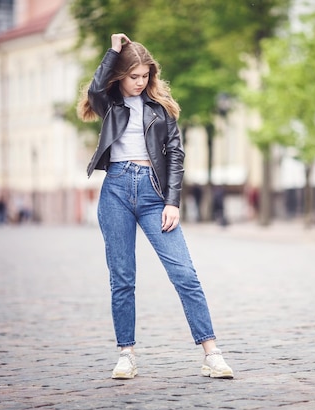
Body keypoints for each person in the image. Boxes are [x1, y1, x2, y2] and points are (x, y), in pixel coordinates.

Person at [77, 33, 233, 380]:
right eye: (133, 76)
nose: (140, 82)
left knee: (184, 274)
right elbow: (94, 90)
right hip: (115, 189)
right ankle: (126, 355)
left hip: (153, 193)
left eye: (145, 76)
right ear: (120, 75)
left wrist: (172, 202)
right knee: (122, 279)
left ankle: (212, 354)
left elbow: (176, 154)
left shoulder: (160, 109)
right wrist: (113, 51)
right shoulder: (110, 104)